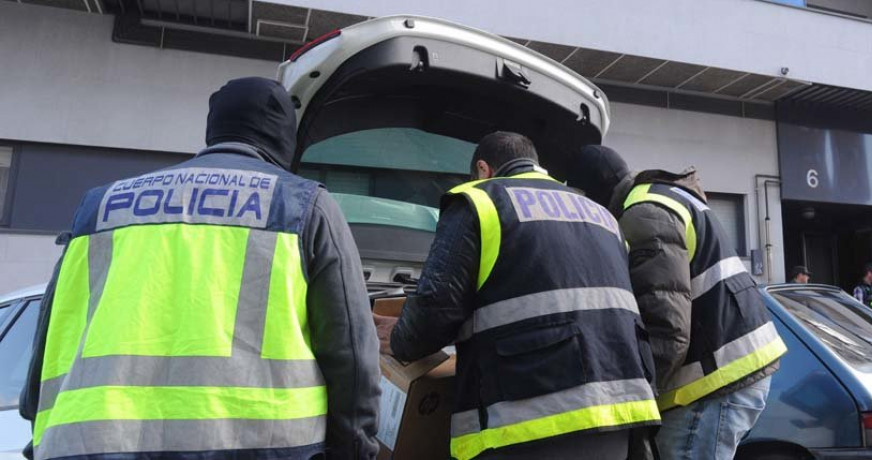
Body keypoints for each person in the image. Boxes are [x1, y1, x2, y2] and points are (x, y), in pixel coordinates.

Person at [19, 77, 381, 460]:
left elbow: (48, 339)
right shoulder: (303, 207)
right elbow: (352, 357)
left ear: (214, 130)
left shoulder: (99, 208)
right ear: (284, 139)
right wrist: (355, 450)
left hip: (90, 449)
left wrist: (34, 425)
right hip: (260, 449)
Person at [374, 132, 660, 460]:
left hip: (529, 425)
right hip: (620, 419)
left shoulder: (481, 201)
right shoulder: (602, 216)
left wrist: (398, 340)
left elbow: (436, 308)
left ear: (483, 169)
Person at [568, 145, 786, 460]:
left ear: (593, 196)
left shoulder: (643, 213)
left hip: (714, 380)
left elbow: (666, 326)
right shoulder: (664, 195)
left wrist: (633, 401)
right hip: (733, 368)